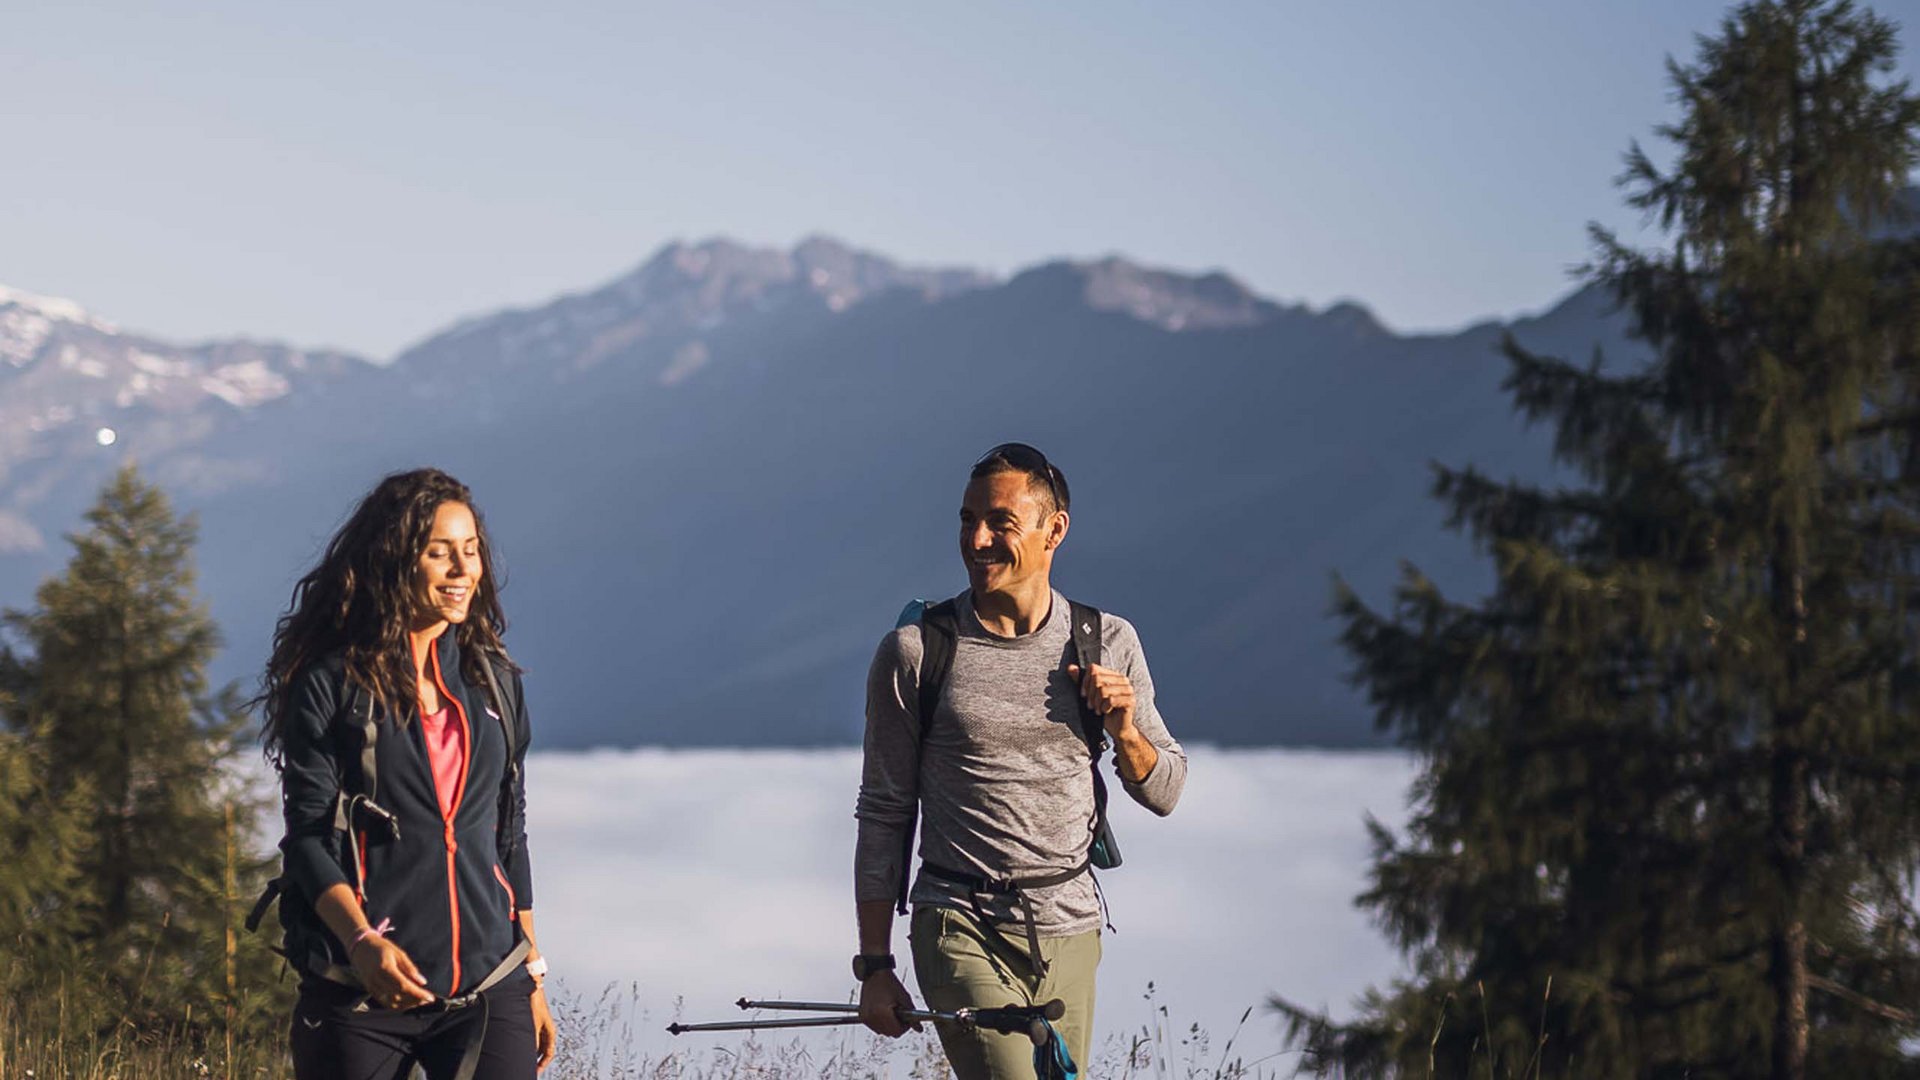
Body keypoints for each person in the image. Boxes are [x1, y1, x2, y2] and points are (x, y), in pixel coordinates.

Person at [853, 443, 1188, 1078]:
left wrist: (1125, 732)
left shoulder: (1108, 642)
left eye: (1000, 522)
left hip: (1073, 930)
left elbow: (1167, 790)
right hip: (959, 923)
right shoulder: (916, 653)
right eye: (966, 519)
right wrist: (875, 966)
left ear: (1053, 529)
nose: (977, 538)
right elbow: (884, 811)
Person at [259, 468, 556, 1079]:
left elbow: (508, 833)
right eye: (439, 553)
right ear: (395, 561)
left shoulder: (491, 683)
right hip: (358, 989)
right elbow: (309, 839)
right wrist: (362, 945)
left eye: (471, 552)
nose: (463, 571)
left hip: (488, 984)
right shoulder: (333, 685)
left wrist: (531, 975)